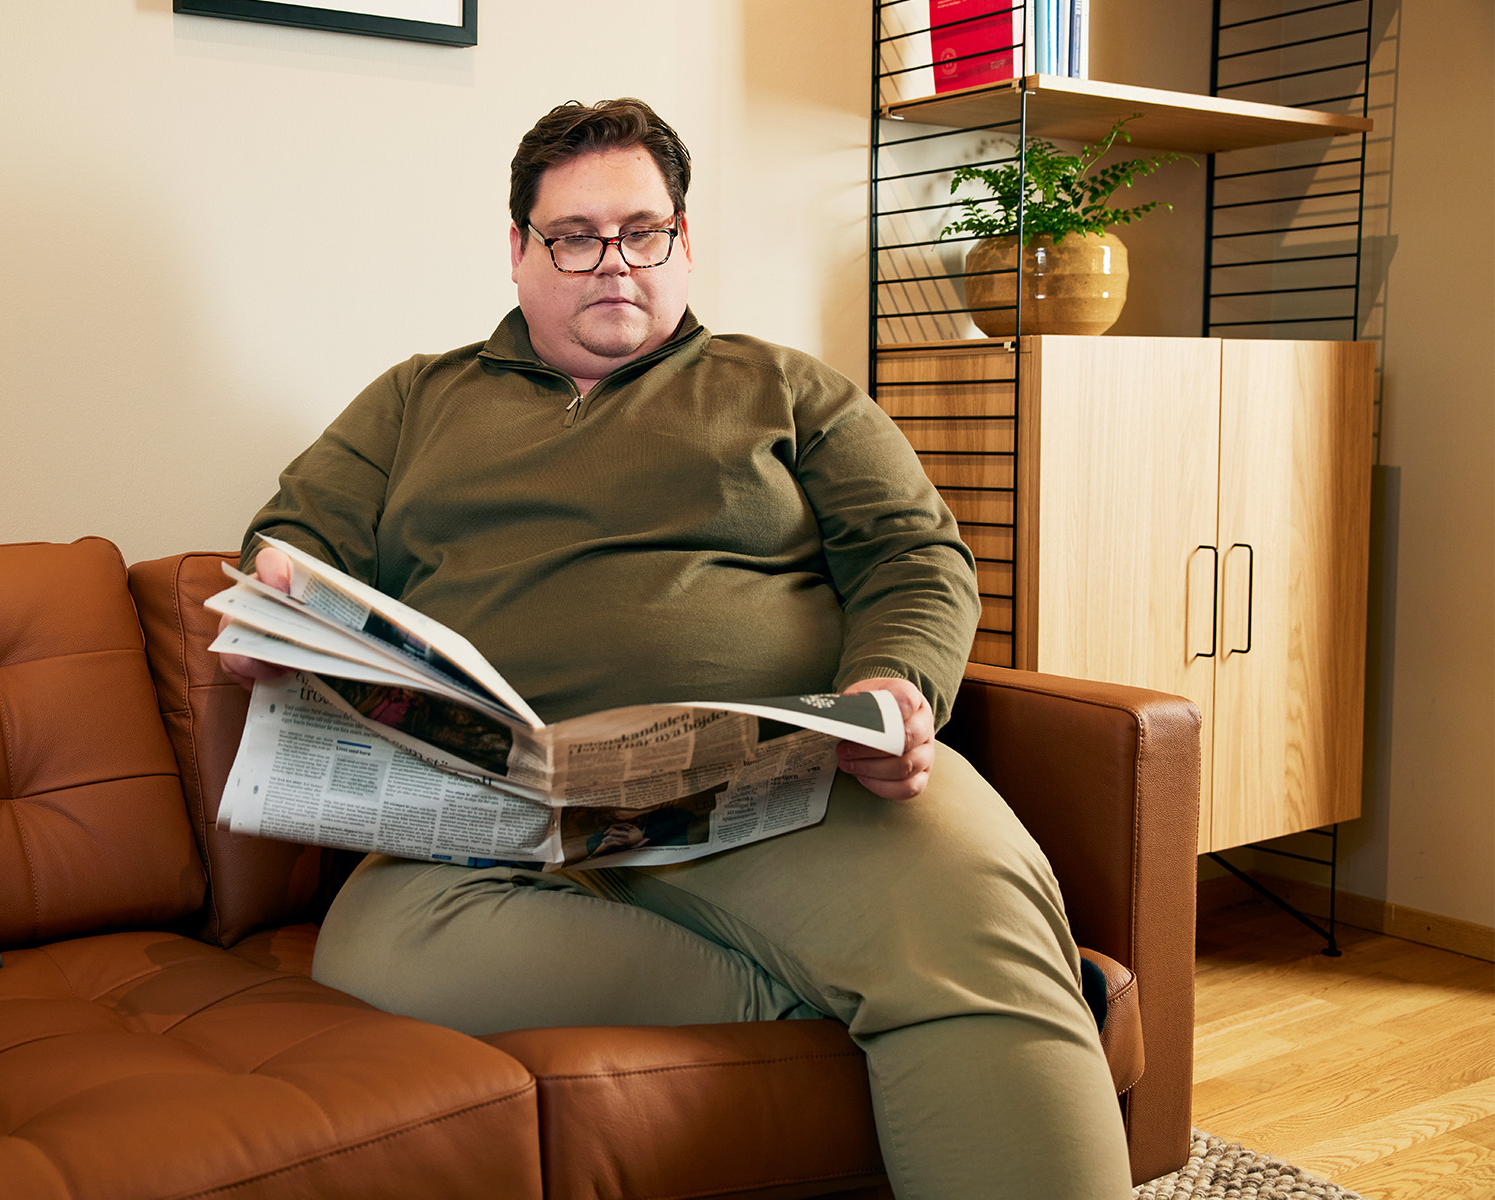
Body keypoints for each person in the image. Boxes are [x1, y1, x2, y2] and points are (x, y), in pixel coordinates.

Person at [221, 98, 1134, 1199]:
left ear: (684, 242)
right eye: (574, 236)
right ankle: (844, 999)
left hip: (783, 789)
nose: (612, 262)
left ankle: (934, 993)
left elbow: (912, 552)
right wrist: (281, 596)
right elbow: (296, 531)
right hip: (508, 823)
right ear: (519, 251)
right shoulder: (417, 398)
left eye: (642, 231)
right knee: (370, 952)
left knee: (977, 927)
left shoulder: (785, 387)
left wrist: (895, 685)